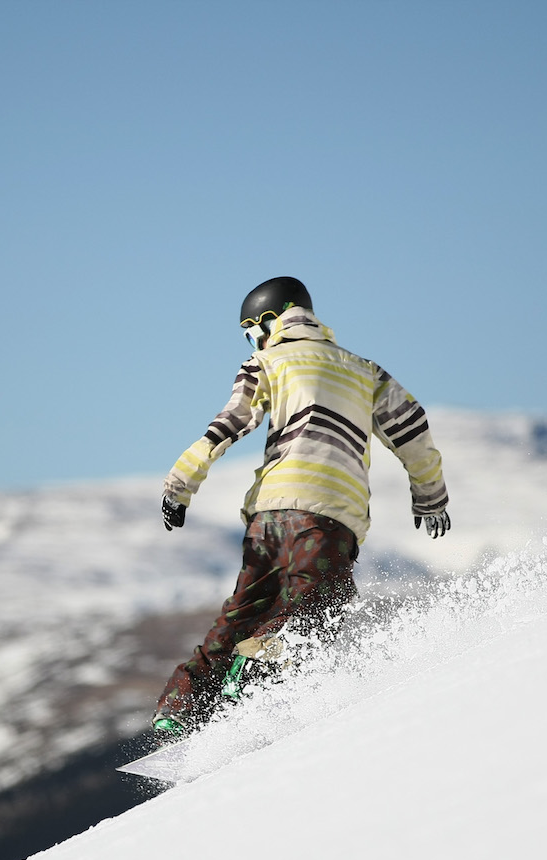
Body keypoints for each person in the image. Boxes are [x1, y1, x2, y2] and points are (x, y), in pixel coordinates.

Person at [153, 276, 451, 738]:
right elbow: (413, 431)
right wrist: (430, 495)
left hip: (268, 516)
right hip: (328, 514)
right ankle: (249, 684)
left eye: (253, 332)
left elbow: (228, 423)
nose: (253, 342)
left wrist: (180, 485)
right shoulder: (365, 371)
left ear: (273, 320)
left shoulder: (265, 362)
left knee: (243, 609)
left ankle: (182, 705)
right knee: (319, 604)